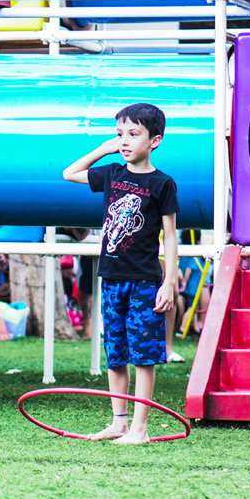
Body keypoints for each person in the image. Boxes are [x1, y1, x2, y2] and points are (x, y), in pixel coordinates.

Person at [63, 103, 178, 444]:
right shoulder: (112, 174)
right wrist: (104, 148)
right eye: (119, 134)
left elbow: (170, 236)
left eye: (133, 134)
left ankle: (140, 429)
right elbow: (70, 173)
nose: (124, 141)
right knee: (115, 354)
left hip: (145, 281)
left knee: (143, 356)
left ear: (154, 141)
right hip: (112, 278)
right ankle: (119, 423)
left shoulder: (162, 183)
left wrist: (169, 282)